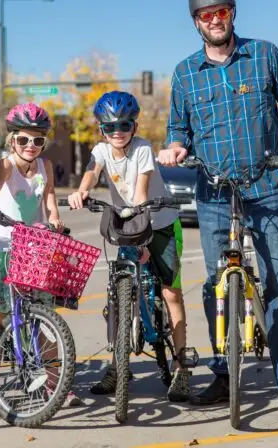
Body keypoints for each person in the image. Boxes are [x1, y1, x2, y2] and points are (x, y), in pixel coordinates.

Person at [157, 0, 278, 415]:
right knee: (215, 286)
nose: (214, 21)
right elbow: (178, 130)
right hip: (212, 193)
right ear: (196, 23)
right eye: (206, 16)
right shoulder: (185, 72)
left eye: (221, 13)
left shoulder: (264, 55)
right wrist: (174, 147)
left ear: (232, 15)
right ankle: (224, 372)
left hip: (265, 189)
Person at [68, 91, 191, 402]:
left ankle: (181, 368)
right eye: (109, 128)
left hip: (159, 223)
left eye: (124, 125)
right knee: (119, 295)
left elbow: (141, 189)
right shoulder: (100, 150)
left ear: (134, 126)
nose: (117, 132)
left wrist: (142, 225)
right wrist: (80, 192)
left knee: (170, 292)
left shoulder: (143, 149)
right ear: (101, 131)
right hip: (128, 224)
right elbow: (91, 172)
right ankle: (116, 366)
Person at [0, 103, 82, 407]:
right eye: (23, 140)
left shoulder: (45, 166)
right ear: (12, 141)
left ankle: (52, 382)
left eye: (37, 140)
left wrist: (55, 219)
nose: (30, 146)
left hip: (35, 247)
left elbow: (49, 198)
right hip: (3, 247)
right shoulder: (6, 164)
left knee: (43, 319)